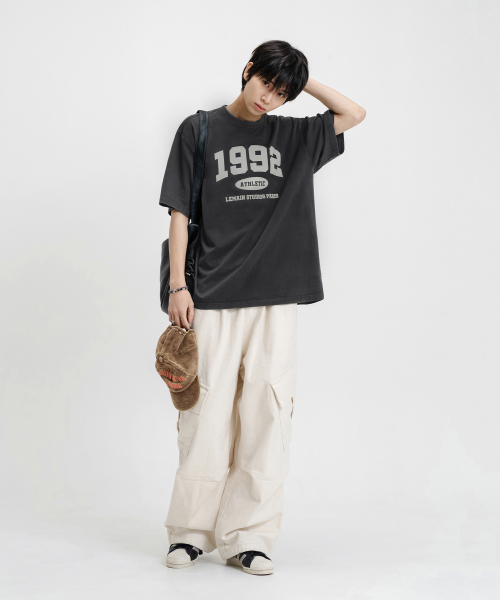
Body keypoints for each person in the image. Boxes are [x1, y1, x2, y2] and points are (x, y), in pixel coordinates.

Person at [158, 39, 366, 575]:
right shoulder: (199, 129)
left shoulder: (293, 136)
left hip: (277, 295)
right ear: (247, 69)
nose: (268, 98)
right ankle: (190, 533)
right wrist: (179, 286)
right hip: (213, 293)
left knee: (267, 414)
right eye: (265, 83)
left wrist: (300, 78)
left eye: (280, 92)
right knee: (204, 414)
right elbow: (179, 212)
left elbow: (353, 113)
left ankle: (249, 536)